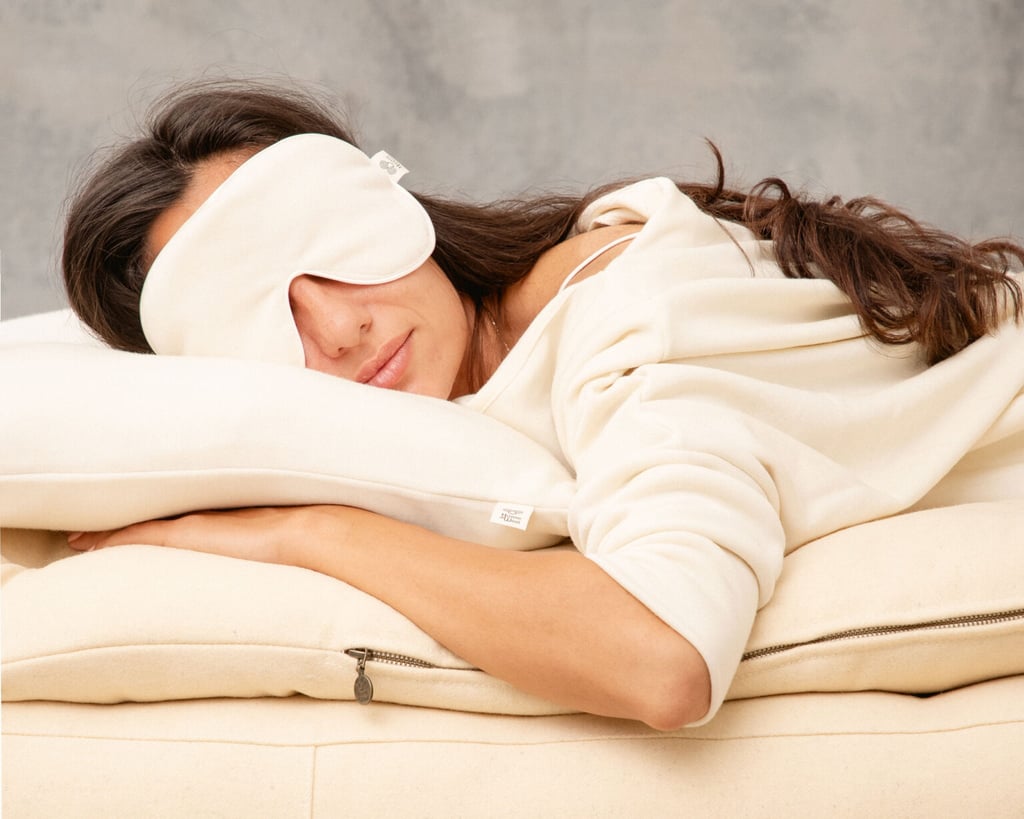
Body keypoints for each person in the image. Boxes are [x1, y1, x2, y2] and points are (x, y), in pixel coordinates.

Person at [61, 79, 1024, 730]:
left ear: (382, 198)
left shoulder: (630, 314)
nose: (339, 329)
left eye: (321, 243)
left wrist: (306, 531)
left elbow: (664, 655)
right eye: (253, 316)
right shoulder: (484, 394)